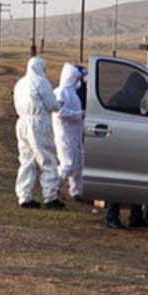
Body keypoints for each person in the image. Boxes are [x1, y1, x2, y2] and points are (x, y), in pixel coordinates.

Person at [102, 73, 148, 229]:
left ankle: (136, 216)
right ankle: (111, 217)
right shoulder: (119, 100)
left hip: (131, 146)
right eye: (140, 92)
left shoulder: (131, 99)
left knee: (136, 181)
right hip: (119, 147)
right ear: (133, 89)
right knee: (117, 182)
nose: (141, 96)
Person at [13, 56, 64, 209]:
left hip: (22, 121)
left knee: (26, 160)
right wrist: (58, 105)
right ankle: (50, 196)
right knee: (47, 158)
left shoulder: (20, 84)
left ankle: (24, 196)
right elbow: (51, 104)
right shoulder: (41, 82)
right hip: (37, 122)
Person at [52, 62, 85, 201]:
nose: (79, 81)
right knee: (67, 164)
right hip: (65, 135)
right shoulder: (60, 92)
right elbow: (60, 112)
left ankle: (76, 192)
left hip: (75, 134)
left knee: (78, 165)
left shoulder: (72, 93)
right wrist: (79, 114)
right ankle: (52, 187)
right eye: (77, 78)